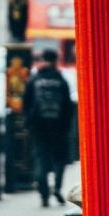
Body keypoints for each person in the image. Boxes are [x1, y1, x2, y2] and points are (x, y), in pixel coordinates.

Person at [23, 48, 73, 206]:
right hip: (59, 127)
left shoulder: (34, 79)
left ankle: (44, 192)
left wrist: (29, 123)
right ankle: (57, 187)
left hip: (39, 127)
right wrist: (66, 126)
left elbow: (26, 103)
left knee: (41, 158)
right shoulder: (61, 80)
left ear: (43, 60)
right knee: (60, 159)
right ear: (56, 61)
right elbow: (68, 106)